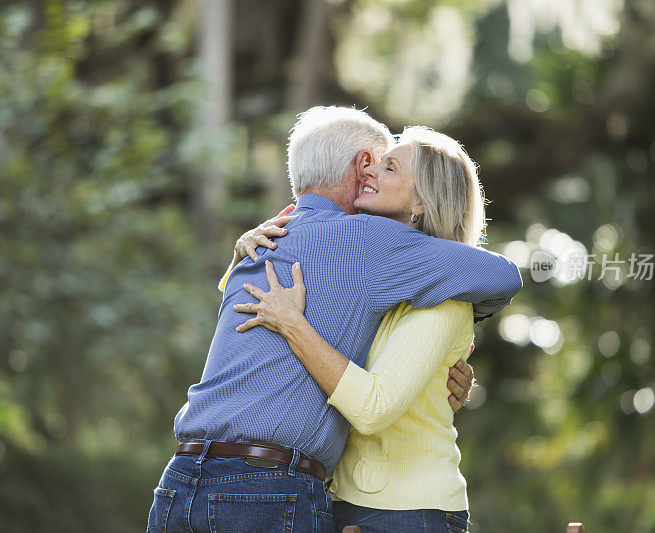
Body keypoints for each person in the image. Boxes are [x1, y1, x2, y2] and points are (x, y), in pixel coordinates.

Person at [147, 107, 522, 533]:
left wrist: (451, 350)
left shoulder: (272, 240)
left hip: (180, 482)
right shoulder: (366, 247)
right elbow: (503, 277)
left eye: (391, 166)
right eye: (379, 162)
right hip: (272, 489)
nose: (378, 172)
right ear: (361, 165)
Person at [232, 126, 495, 532]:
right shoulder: (367, 273)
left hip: (408, 511)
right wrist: (241, 254)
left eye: (389, 167)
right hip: (343, 501)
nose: (369, 172)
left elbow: (373, 409)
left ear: (422, 201)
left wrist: (293, 325)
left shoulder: (447, 299)